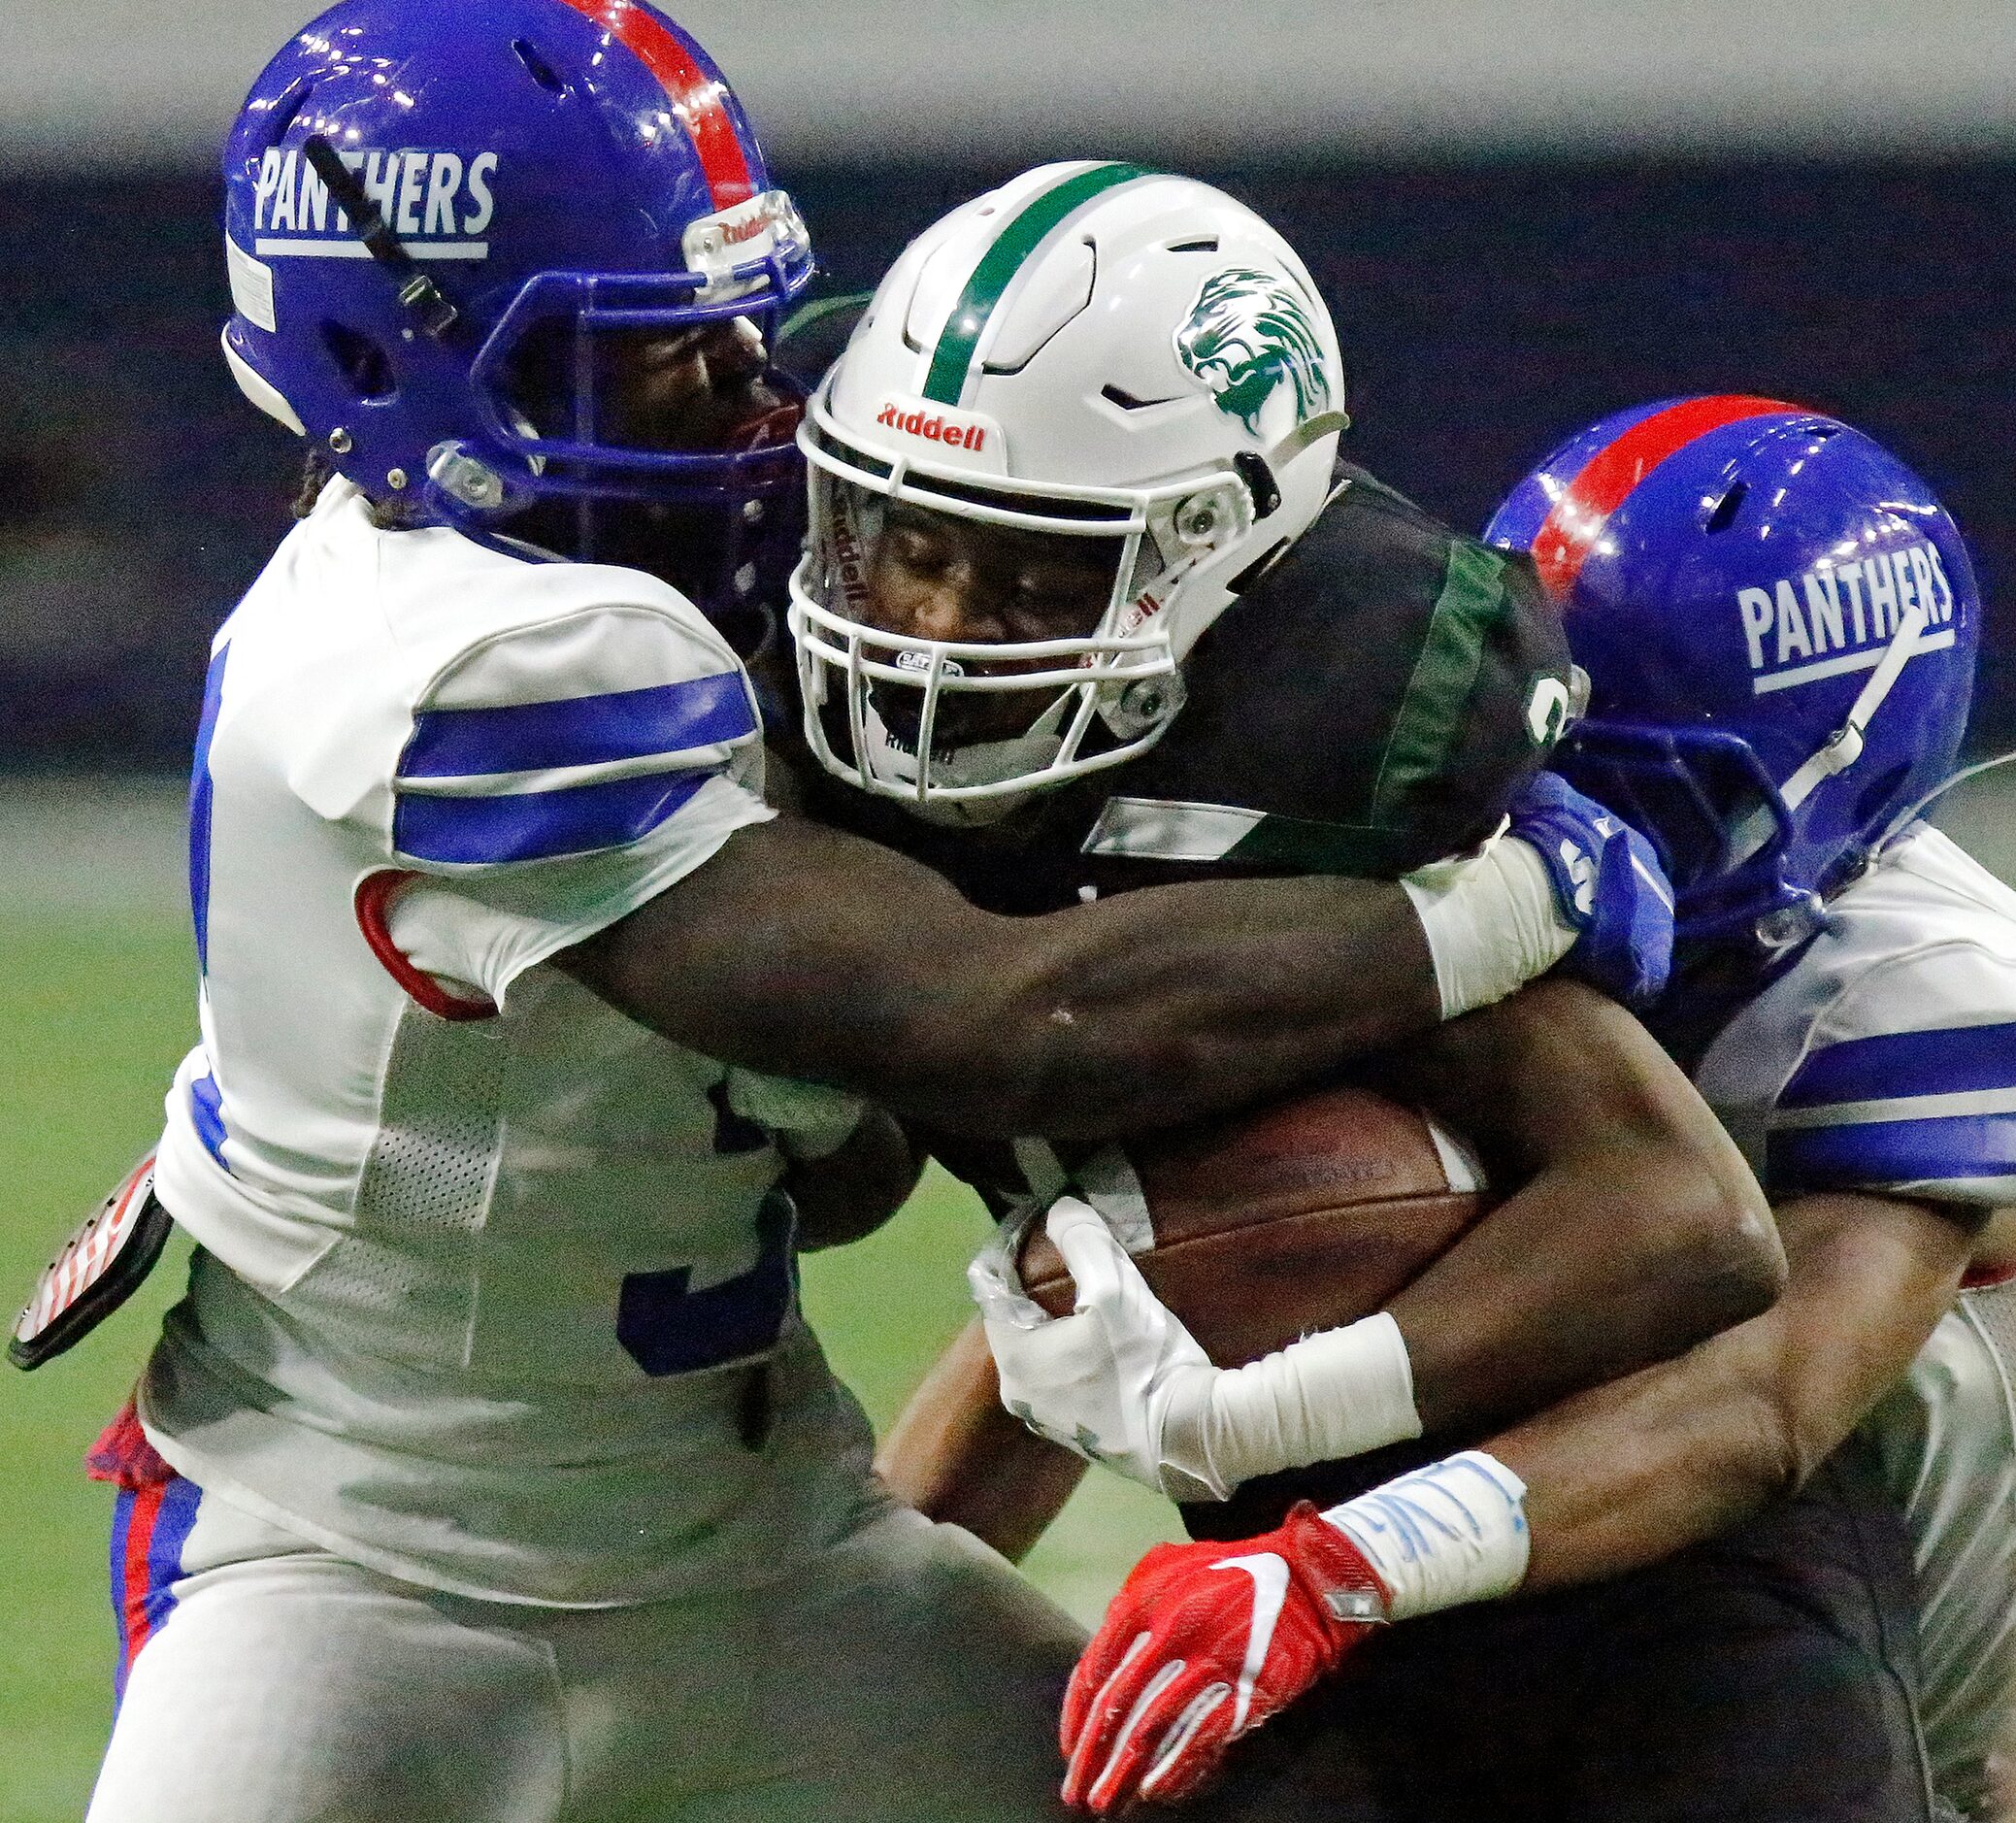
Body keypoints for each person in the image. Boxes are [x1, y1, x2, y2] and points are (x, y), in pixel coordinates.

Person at [78, 20, 1669, 1823]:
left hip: (752, 1532)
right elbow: (996, 1021)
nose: (740, 389)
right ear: (395, 357)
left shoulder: (617, 571)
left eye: (735, 321)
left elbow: (842, 1173)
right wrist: (1496, 904)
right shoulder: (459, 657)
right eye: (654, 351)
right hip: (348, 1564)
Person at [1055, 398, 2014, 1822]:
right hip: (1568, 1512)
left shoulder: (1923, 990)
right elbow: (1171, 1231)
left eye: (1628, 781)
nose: (1560, 819)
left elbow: (1760, 1402)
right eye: (1539, 750)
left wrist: (1333, 1568)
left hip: (1909, 1516)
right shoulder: (1489, 860)